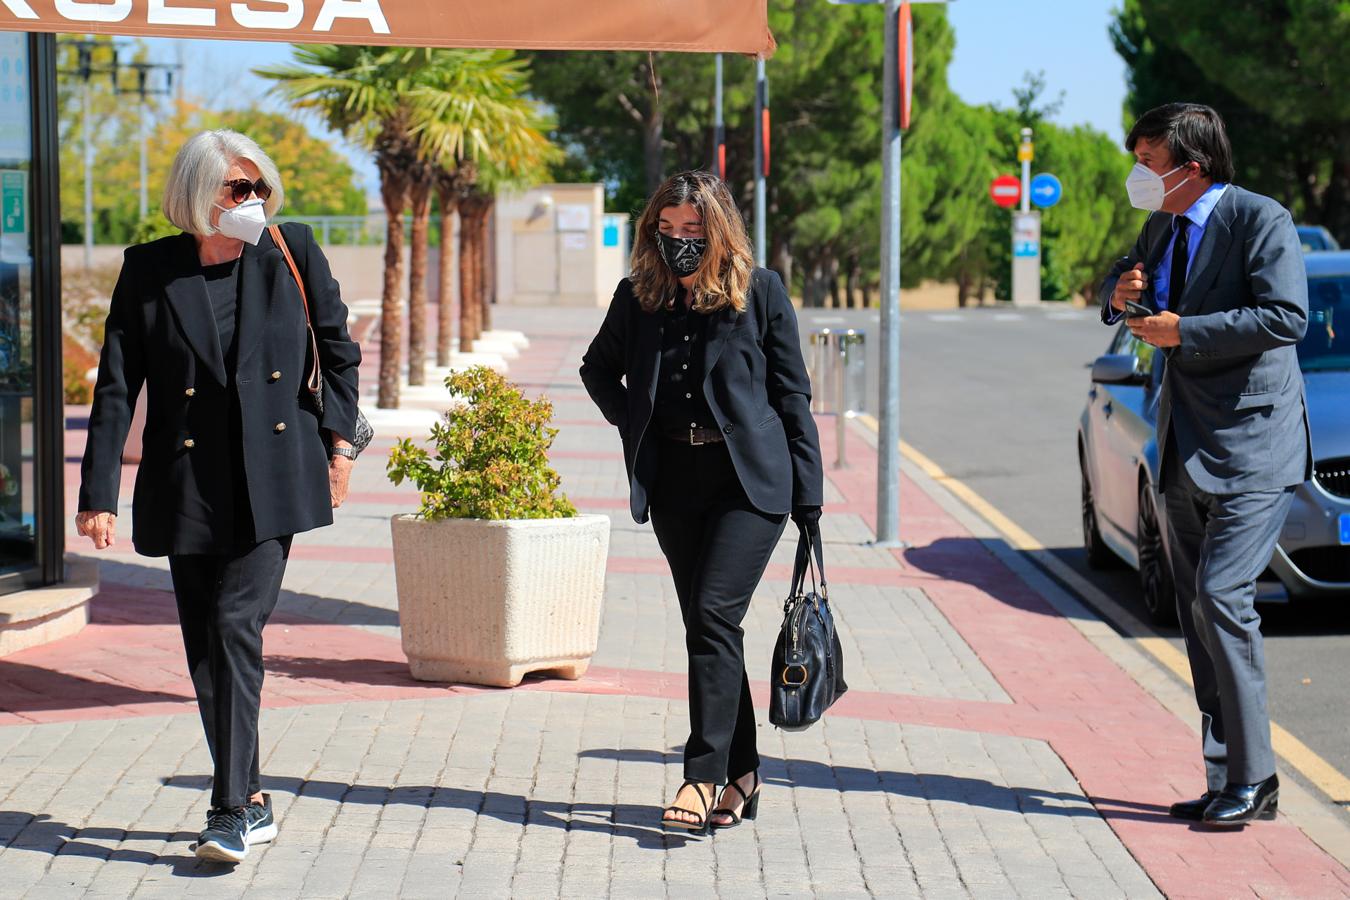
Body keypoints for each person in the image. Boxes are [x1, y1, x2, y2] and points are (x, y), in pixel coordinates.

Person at [76, 130, 363, 862]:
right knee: (206, 643)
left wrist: (340, 447)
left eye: (260, 187)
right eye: (238, 190)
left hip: (275, 477)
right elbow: (116, 385)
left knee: (237, 623)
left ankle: (228, 808)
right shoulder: (149, 270)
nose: (254, 202)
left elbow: (339, 351)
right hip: (187, 483)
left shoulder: (291, 250)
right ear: (198, 196)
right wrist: (99, 492)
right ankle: (256, 793)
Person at [580, 170, 824, 835]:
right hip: (673, 483)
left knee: (714, 613)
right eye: (668, 230)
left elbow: (792, 396)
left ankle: (702, 774)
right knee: (709, 629)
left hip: (749, 482)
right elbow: (596, 368)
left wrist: (811, 499)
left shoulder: (760, 291)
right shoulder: (639, 297)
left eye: (693, 231)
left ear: (718, 231)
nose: (681, 243)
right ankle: (743, 774)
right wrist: (634, 421)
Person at [1099, 104, 1309, 826]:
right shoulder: (1162, 226)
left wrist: (1185, 331)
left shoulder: (1262, 220)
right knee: (1196, 613)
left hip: (1255, 445)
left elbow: (1285, 317)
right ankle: (1230, 775)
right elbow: (1127, 291)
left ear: (1193, 168)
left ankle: (1256, 776)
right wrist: (1118, 296)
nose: (1139, 176)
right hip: (1181, 445)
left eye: (1149, 162)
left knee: (1222, 597)